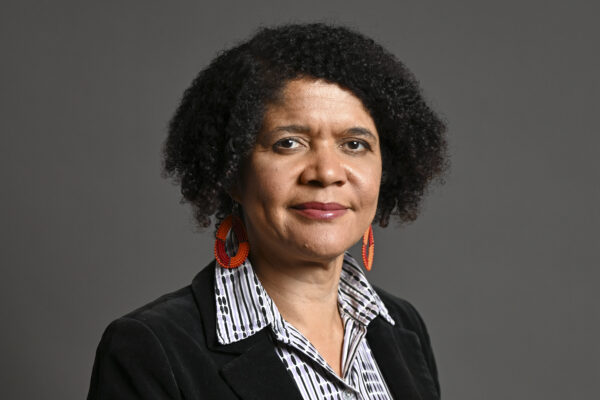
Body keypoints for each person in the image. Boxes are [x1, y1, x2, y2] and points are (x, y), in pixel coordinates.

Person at [87, 23, 448, 400]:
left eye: (354, 144)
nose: (326, 172)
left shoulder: (403, 327)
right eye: (288, 143)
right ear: (231, 172)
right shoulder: (151, 349)